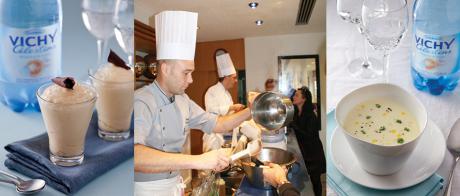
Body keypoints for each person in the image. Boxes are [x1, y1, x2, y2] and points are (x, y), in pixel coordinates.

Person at [133, 11, 258, 196]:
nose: (191, 80)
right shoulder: (141, 100)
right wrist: (198, 160)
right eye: (186, 73)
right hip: (145, 189)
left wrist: (252, 109)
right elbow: (135, 156)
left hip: (174, 184)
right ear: (165, 69)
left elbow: (219, 123)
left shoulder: (183, 100)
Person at [202, 53, 245, 152]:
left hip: (225, 136)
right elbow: (211, 110)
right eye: (234, 78)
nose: (236, 81)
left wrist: (237, 112)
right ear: (226, 77)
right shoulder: (211, 91)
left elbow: (229, 116)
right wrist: (231, 108)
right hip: (213, 138)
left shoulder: (228, 94)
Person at [290, 86, 325, 196]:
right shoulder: (295, 113)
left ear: (304, 99)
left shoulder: (311, 116)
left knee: (316, 181)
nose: (293, 97)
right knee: (302, 179)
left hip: (313, 153)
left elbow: (309, 136)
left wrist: (294, 126)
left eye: (296, 95)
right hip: (303, 153)